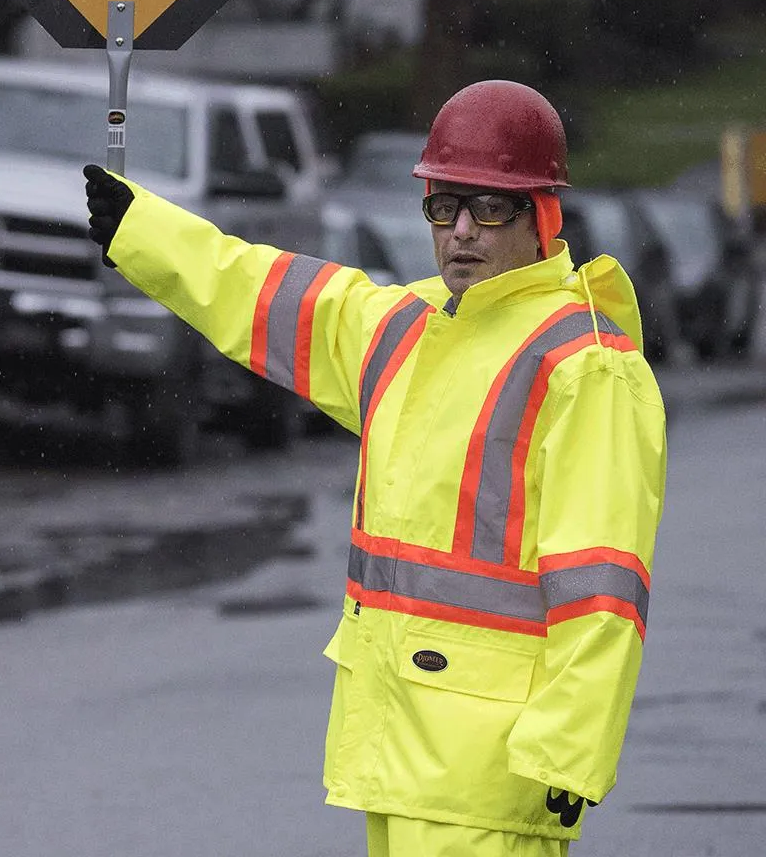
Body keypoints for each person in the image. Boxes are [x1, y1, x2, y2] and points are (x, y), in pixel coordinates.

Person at [84, 79, 666, 856]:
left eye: (489, 208)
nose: (462, 230)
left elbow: (603, 585)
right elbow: (261, 291)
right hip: (398, 753)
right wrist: (143, 231)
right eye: (443, 206)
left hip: (493, 778)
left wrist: (568, 751)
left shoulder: (586, 367)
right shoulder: (408, 328)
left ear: (543, 217)